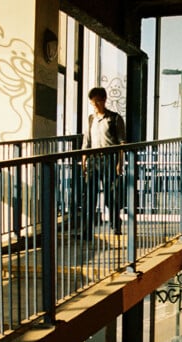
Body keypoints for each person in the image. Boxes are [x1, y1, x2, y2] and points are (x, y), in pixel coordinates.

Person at [81, 87, 126, 237]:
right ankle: (87, 230)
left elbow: (122, 143)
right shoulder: (91, 119)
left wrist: (120, 163)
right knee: (90, 196)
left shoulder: (114, 118)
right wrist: (84, 160)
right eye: (93, 103)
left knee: (110, 195)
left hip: (109, 160)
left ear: (104, 100)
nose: (95, 106)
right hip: (94, 159)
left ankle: (115, 224)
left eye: (97, 102)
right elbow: (86, 141)